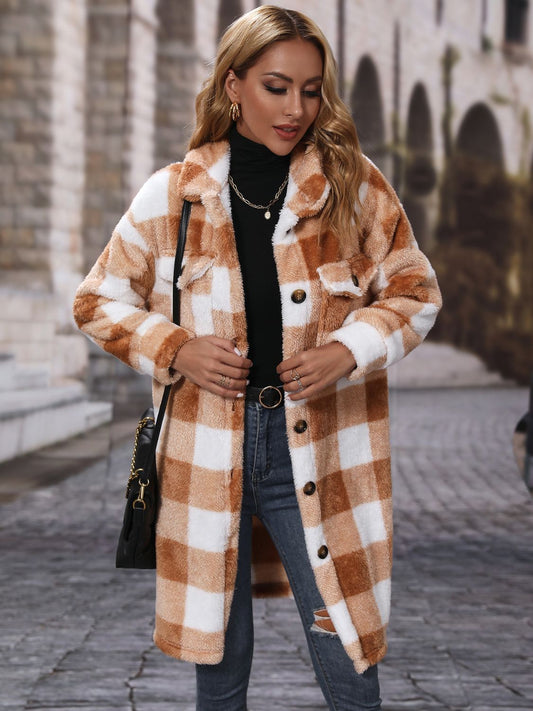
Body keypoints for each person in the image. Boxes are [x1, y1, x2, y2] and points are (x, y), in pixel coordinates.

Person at [73, 6, 442, 710]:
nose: (296, 108)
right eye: (276, 87)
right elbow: (95, 301)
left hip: (320, 443)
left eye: (311, 90)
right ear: (233, 85)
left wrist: (347, 350)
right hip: (207, 445)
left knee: (347, 643)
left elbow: (415, 292)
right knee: (218, 653)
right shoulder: (174, 195)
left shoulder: (353, 188)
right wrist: (178, 348)